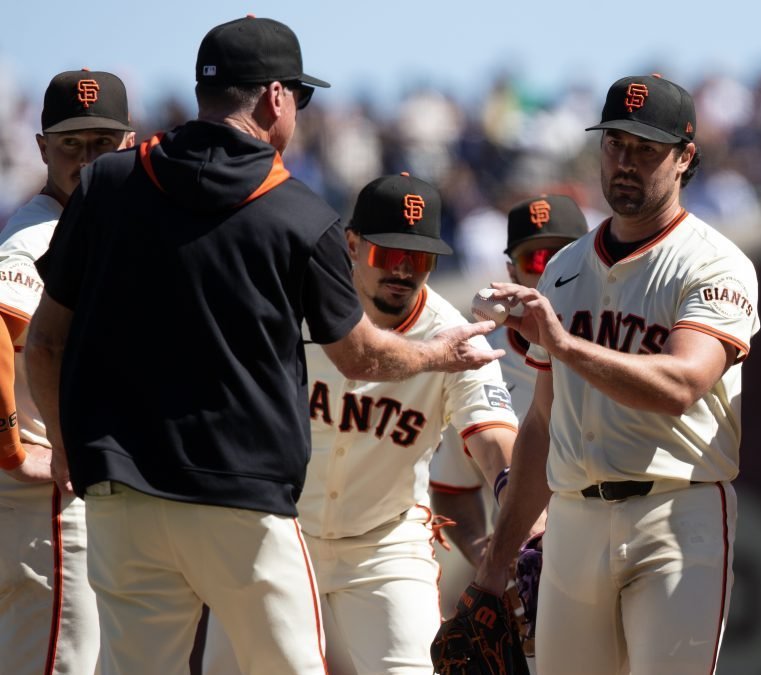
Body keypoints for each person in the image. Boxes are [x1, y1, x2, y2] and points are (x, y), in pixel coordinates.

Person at [24, 17, 499, 675]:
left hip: (122, 492)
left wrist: (64, 446)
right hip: (240, 501)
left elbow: (44, 342)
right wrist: (438, 355)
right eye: (299, 99)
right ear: (276, 97)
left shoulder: (107, 183)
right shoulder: (298, 212)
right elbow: (360, 356)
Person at [463, 73, 761, 674]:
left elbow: (683, 384)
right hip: (572, 520)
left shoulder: (714, 261)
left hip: (676, 516)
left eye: (646, 150)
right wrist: (495, 569)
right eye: (615, 145)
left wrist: (565, 344)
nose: (626, 163)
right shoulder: (567, 268)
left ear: (685, 159)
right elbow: (543, 422)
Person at [202, 173, 519, 674]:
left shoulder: (457, 340)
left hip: (385, 545)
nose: (401, 269)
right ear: (351, 244)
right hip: (278, 533)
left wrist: (524, 534)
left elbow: (497, 445)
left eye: (417, 257)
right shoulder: (289, 308)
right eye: (386, 252)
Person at [0, 68, 134, 675]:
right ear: (41, 148)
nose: (85, 158)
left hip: (77, 486)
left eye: (101, 143)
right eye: (70, 144)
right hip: (45, 492)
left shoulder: (102, 223)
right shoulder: (34, 235)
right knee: (62, 662)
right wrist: (9, 449)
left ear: (128, 143)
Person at [430, 193, 590, 569]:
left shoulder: (619, 341)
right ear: (512, 272)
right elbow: (452, 487)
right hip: (538, 563)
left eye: (563, 256)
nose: (550, 270)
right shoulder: (482, 360)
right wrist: (484, 555)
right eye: (535, 259)